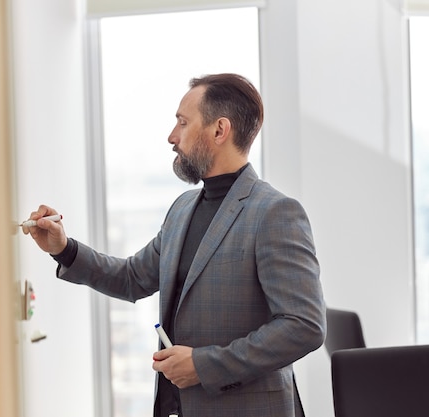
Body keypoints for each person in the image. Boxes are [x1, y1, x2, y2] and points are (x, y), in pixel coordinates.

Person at [23, 73, 326, 417]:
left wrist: (204, 364)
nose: (172, 136)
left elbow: (304, 326)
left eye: (183, 122)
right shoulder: (183, 208)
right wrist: (63, 248)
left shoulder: (275, 213)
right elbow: (132, 278)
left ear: (219, 130)